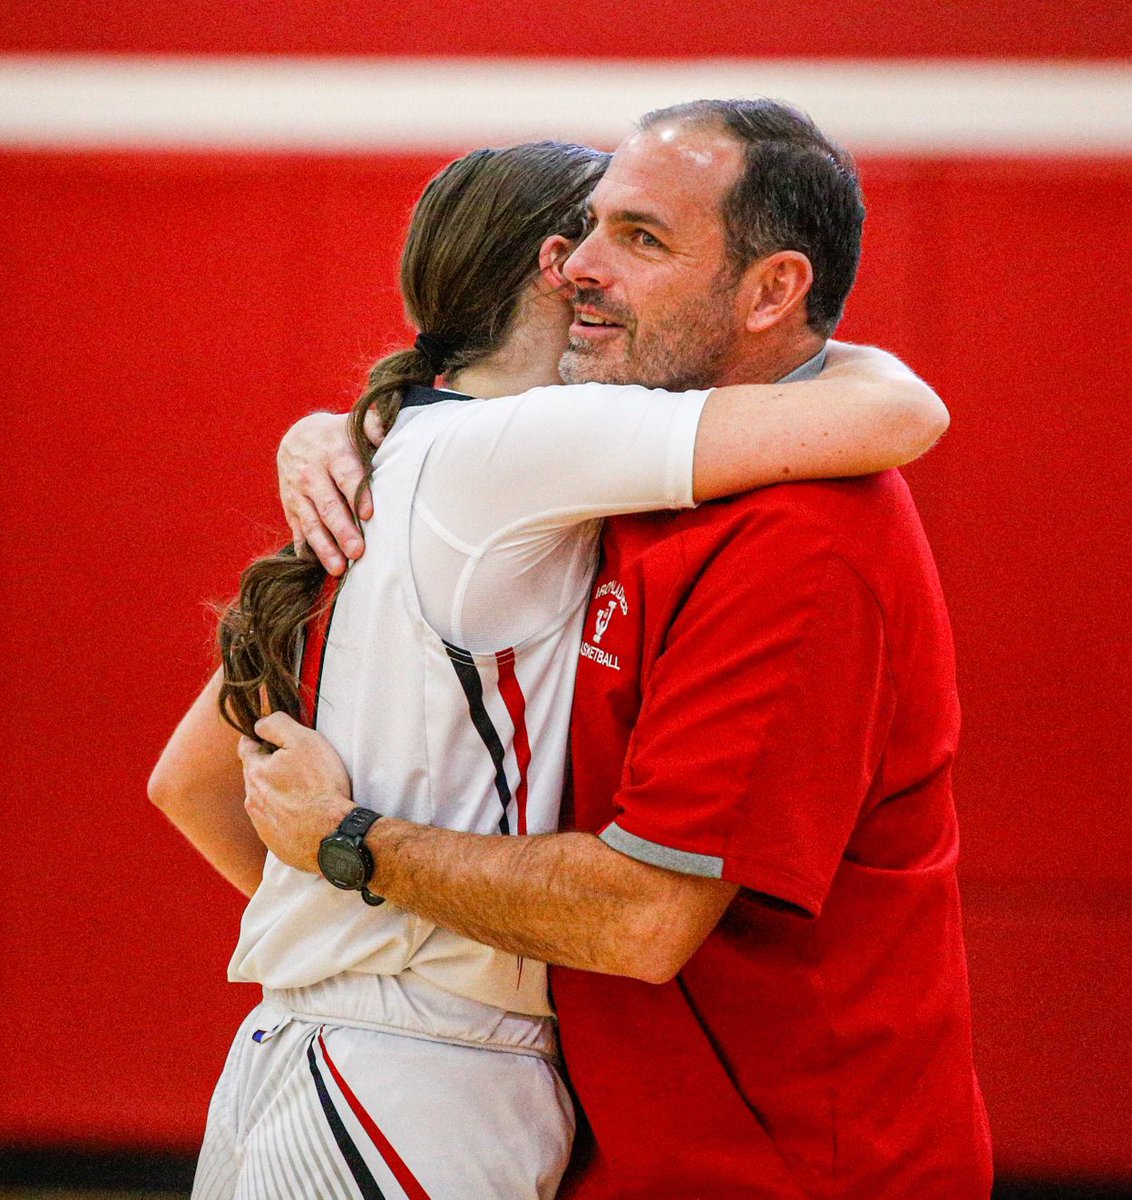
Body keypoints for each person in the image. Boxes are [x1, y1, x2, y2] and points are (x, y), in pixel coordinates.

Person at [149, 133, 949, 1199]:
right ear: (554, 264)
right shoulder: (528, 450)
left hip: (318, 1053)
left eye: (645, 234)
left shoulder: (415, 461)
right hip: (417, 1075)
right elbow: (902, 412)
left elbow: (187, 783)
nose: (603, 267)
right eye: (603, 232)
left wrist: (346, 908)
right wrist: (361, 883)